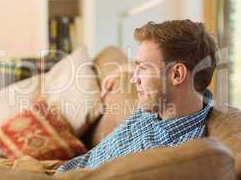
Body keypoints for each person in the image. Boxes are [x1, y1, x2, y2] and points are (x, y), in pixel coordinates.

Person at [56, 19, 217, 173]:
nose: (134, 80)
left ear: (176, 74)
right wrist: (126, 69)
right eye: (137, 68)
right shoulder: (158, 108)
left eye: (144, 68)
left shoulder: (176, 158)